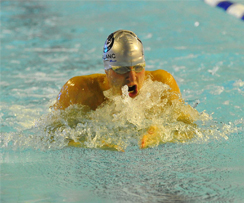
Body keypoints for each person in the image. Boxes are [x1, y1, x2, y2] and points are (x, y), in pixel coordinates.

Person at [52, 30, 192, 149]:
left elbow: (190, 129)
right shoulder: (77, 90)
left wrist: (161, 134)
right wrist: (90, 143)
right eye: (122, 69)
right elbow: (49, 136)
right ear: (107, 70)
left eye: (138, 68)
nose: (132, 78)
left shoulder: (162, 84)